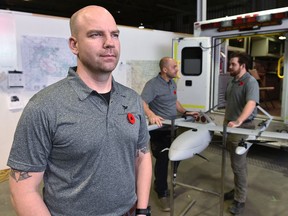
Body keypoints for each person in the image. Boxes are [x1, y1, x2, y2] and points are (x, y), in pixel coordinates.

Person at [7, 5, 152, 216]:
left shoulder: (131, 99)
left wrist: (142, 210)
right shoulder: (45, 106)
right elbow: (23, 191)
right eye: (96, 34)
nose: (109, 43)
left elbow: (142, 155)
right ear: (74, 45)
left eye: (114, 35)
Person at [141, 57, 198, 212]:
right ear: (165, 69)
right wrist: (151, 115)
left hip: (173, 129)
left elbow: (174, 102)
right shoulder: (153, 85)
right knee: (163, 162)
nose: (177, 69)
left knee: (176, 158)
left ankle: (164, 183)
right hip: (160, 132)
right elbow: (142, 102)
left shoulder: (172, 83)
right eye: (174, 67)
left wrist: (185, 111)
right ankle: (161, 192)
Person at [224, 52, 259, 215]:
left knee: (239, 165)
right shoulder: (232, 81)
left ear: (243, 65)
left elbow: (251, 104)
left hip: (242, 127)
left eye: (233, 64)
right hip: (230, 126)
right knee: (235, 163)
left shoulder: (250, 82)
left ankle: (240, 199)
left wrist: (238, 121)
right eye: (230, 64)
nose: (230, 67)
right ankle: (237, 189)